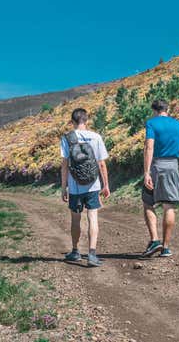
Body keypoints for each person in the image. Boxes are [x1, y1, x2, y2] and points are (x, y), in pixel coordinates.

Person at [140, 99, 179, 258]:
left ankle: (155, 240)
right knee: (169, 206)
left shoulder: (152, 124)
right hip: (173, 166)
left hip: (157, 166)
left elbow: (149, 147)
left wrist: (147, 172)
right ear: (167, 109)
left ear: (154, 110)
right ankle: (166, 247)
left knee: (148, 203)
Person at [61, 108, 110, 267]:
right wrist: (106, 185)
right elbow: (101, 163)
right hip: (93, 185)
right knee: (92, 218)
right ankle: (92, 254)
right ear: (86, 120)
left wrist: (64, 188)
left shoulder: (67, 138)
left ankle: (75, 251)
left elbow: (64, 165)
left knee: (76, 220)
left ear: (73, 122)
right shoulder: (96, 137)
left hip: (75, 187)